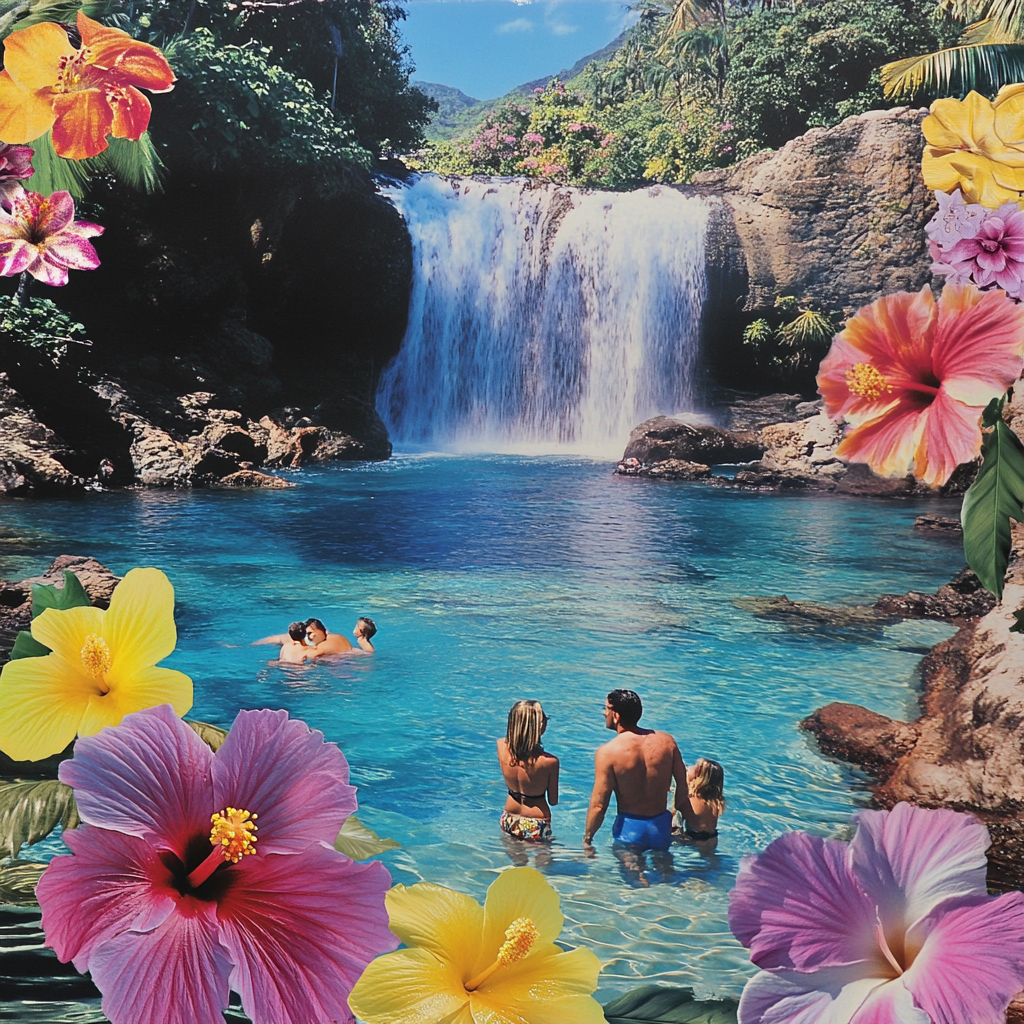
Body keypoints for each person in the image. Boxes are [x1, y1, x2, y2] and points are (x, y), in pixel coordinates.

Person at [584, 689, 692, 852]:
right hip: (661, 826)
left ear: (616, 715)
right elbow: (682, 786)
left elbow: (599, 805)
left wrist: (588, 838)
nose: (603, 713)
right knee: (665, 874)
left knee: (632, 875)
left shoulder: (607, 752)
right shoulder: (667, 742)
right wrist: (674, 816)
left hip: (629, 829)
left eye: (606, 708)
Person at [497, 700, 559, 842]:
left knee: (517, 861)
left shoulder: (501, 746)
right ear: (539, 727)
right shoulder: (550, 762)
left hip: (509, 818)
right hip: (536, 822)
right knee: (543, 862)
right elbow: (553, 800)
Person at [676, 757, 724, 843]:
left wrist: (684, 780)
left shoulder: (690, 798)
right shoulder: (716, 801)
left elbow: (676, 809)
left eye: (694, 766)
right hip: (713, 838)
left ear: (698, 777)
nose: (689, 767)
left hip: (694, 839)